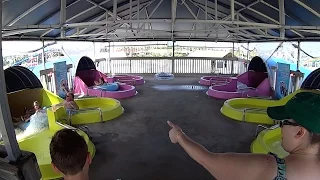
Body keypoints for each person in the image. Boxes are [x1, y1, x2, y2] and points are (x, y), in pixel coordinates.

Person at [168, 91, 320, 180]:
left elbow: (208, 160)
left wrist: (179, 136)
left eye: (283, 123)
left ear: (300, 132)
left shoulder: (269, 168)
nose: (280, 128)